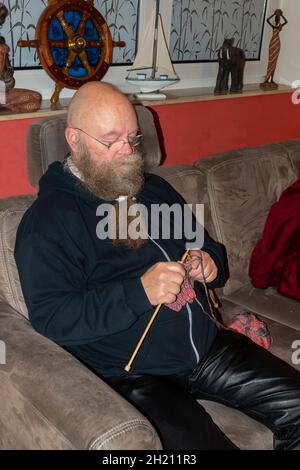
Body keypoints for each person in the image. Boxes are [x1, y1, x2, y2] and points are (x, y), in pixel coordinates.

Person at [14, 82, 300, 450]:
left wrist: (209, 261)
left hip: (204, 346)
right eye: (111, 140)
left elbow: (205, 244)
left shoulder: (153, 190)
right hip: (130, 374)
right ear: (74, 139)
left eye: (132, 138)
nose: (127, 152)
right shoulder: (47, 223)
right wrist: (139, 293)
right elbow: (54, 319)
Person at [0, 3, 41, 113]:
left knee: (35, 99)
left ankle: (5, 108)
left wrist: (7, 77)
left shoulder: (2, 44)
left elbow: (8, 82)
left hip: (1, 93)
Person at [261, 9, 288, 90]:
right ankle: (267, 79)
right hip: (272, 42)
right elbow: (267, 20)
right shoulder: (273, 25)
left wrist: (281, 15)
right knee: (270, 60)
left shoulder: (279, 25)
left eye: (278, 16)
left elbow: (286, 21)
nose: (277, 17)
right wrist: (274, 14)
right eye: (277, 16)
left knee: (274, 61)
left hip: (277, 42)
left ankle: (272, 79)